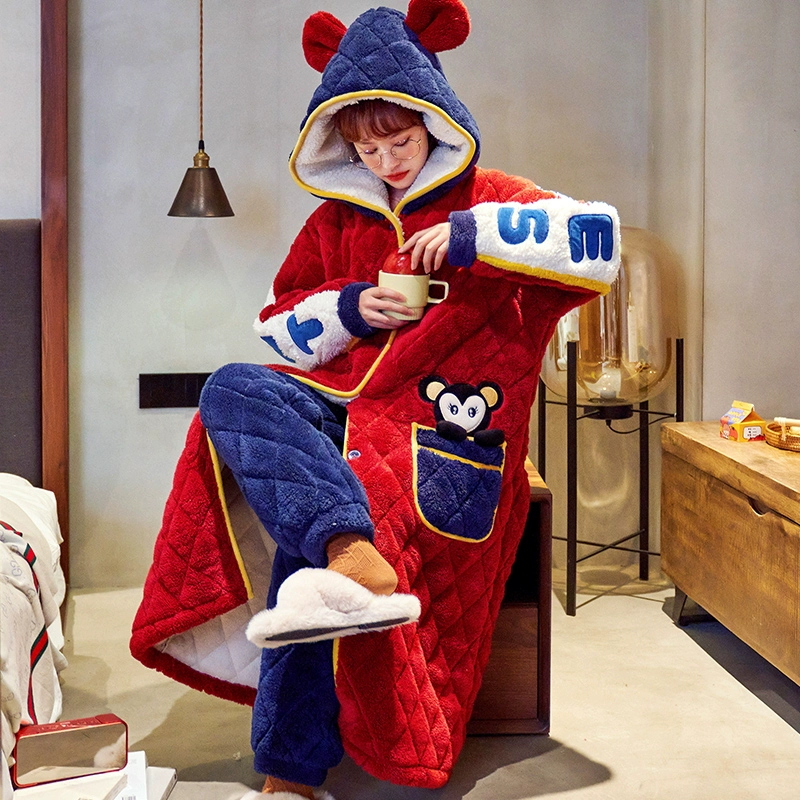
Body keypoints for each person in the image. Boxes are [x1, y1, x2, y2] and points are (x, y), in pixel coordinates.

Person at [131, 3, 620, 799]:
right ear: (343, 145)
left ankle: (290, 770)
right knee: (230, 386)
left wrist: (473, 238)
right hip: (340, 407)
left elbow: (600, 242)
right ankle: (347, 548)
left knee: (309, 543)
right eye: (367, 149)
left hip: (437, 432)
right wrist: (353, 308)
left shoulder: (492, 196)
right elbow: (277, 326)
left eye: (401, 142)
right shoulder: (334, 223)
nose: (387, 161)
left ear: (435, 122)